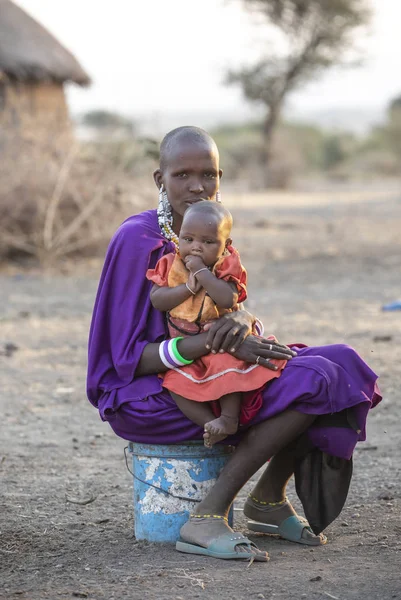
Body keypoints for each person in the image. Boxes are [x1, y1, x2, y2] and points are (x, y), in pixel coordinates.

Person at [87, 126, 381, 562]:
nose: (197, 185)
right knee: (316, 379)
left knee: (344, 362)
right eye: (182, 174)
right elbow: (125, 362)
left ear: (220, 177)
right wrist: (210, 344)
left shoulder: (210, 228)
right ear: (159, 180)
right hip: (149, 394)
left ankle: (267, 501)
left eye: (208, 174)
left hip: (215, 376)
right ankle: (207, 516)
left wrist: (243, 323)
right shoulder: (138, 239)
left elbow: (229, 309)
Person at [146, 200, 287, 447]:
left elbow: (227, 297)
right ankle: (210, 424)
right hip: (186, 344)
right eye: (188, 239)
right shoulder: (170, 263)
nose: (196, 248)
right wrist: (187, 287)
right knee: (174, 383)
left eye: (208, 242)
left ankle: (229, 418)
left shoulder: (226, 265)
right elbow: (157, 300)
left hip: (221, 340)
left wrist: (202, 273)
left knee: (228, 371)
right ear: (179, 237)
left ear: (226, 245)